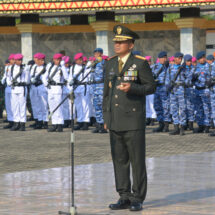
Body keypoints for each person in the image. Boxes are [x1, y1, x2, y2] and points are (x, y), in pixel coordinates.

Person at [103, 25, 156, 211]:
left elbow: (151, 87)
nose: (117, 45)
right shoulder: (109, 63)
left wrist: (132, 88)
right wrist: (106, 117)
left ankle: (137, 197)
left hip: (133, 120)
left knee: (137, 161)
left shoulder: (140, 63)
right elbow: (106, 94)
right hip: (115, 120)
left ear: (131, 44)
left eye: (121, 42)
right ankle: (123, 196)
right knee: (119, 160)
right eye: (115, 42)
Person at [42, 53, 67, 132]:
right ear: (53, 60)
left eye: (59, 59)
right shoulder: (50, 67)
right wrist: (46, 84)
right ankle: (54, 124)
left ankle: (60, 124)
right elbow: (44, 77)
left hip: (58, 88)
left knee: (59, 107)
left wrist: (63, 66)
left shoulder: (62, 68)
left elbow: (66, 77)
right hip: (50, 89)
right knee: (52, 107)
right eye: (56, 59)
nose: (57, 61)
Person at [7, 53, 29, 131]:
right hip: (14, 89)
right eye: (18, 60)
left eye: (21, 60)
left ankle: (22, 124)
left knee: (22, 106)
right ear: (15, 60)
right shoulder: (11, 68)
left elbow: (27, 79)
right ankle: (16, 123)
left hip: (22, 88)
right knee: (15, 106)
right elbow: (8, 77)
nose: (20, 61)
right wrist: (9, 83)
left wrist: (23, 82)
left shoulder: (25, 68)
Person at [166, 52, 186, 135]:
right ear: (175, 58)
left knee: (182, 109)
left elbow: (188, 78)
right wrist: (168, 86)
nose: (180, 60)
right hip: (173, 91)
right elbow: (167, 79)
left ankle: (182, 127)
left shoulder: (184, 68)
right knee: (173, 109)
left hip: (181, 90)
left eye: (181, 58)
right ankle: (176, 127)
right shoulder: (170, 68)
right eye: (179, 58)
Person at [192, 51, 211, 133]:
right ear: (198, 60)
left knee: (206, 108)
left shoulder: (209, 67)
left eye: (203, 57)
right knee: (198, 108)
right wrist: (192, 79)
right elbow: (190, 80)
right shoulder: (195, 68)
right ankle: (200, 125)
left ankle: (207, 125)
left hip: (205, 90)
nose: (202, 59)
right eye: (200, 58)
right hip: (197, 90)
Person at [153, 51, 171, 132]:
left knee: (165, 107)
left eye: (165, 57)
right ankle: (161, 124)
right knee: (157, 106)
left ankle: (166, 125)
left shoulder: (169, 67)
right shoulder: (154, 67)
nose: (164, 59)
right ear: (159, 59)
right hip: (157, 89)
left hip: (165, 89)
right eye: (163, 58)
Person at [91, 48, 107, 133]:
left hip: (101, 86)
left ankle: (104, 126)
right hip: (95, 87)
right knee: (96, 106)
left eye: (97, 54)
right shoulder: (94, 64)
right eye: (95, 54)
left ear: (101, 54)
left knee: (102, 106)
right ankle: (99, 125)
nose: (96, 55)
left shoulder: (104, 63)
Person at [2, 54, 15, 129]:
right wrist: (2, 82)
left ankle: (15, 121)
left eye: (14, 59)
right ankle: (10, 121)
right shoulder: (7, 67)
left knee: (14, 105)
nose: (13, 61)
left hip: (14, 88)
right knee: (8, 105)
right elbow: (5, 76)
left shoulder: (17, 68)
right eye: (12, 59)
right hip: (7, 88)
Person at [184, 54, 195, 130]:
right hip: (183, 90)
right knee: (183, 107)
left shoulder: (193, 69)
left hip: (190, 90)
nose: (189, 62)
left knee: (190, 107)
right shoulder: (182, 69)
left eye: (190, 61)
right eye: (188, 61)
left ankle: (191, 124)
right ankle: (185, 123)